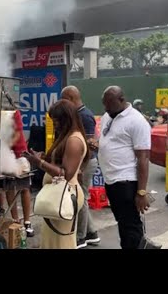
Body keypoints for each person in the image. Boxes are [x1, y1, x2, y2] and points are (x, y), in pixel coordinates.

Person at [98, 86, 160, 249]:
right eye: (104, 104)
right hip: (111, 180)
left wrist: (141, 192)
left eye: (109, 104)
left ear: (121, 100)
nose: (106, 108)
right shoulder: (108, 116)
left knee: (130, 227)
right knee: (123, 224)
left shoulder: (137, 121)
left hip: (126, 182)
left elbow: (143, 158)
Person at [23, 99, 89, 249]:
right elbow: (59, 162)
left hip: (65, 195)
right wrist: (43, 158)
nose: (55, 125)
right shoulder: (66, 136)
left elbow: (66, 174)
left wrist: (39, 163)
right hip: (58, 195)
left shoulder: (73, 140)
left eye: (57, 121)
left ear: (67, 119)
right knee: (52, 240)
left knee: (61, 242)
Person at [61, 85, 100, 248]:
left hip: (85, 162)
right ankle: (92, 232)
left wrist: (81, 168)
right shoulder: (77, 114)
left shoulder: (84, 116)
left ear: (70, 98)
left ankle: (80, 237)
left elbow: (90, 146)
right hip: (81, 162)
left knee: (81, 198)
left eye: (64, 99)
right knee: (81, 196)